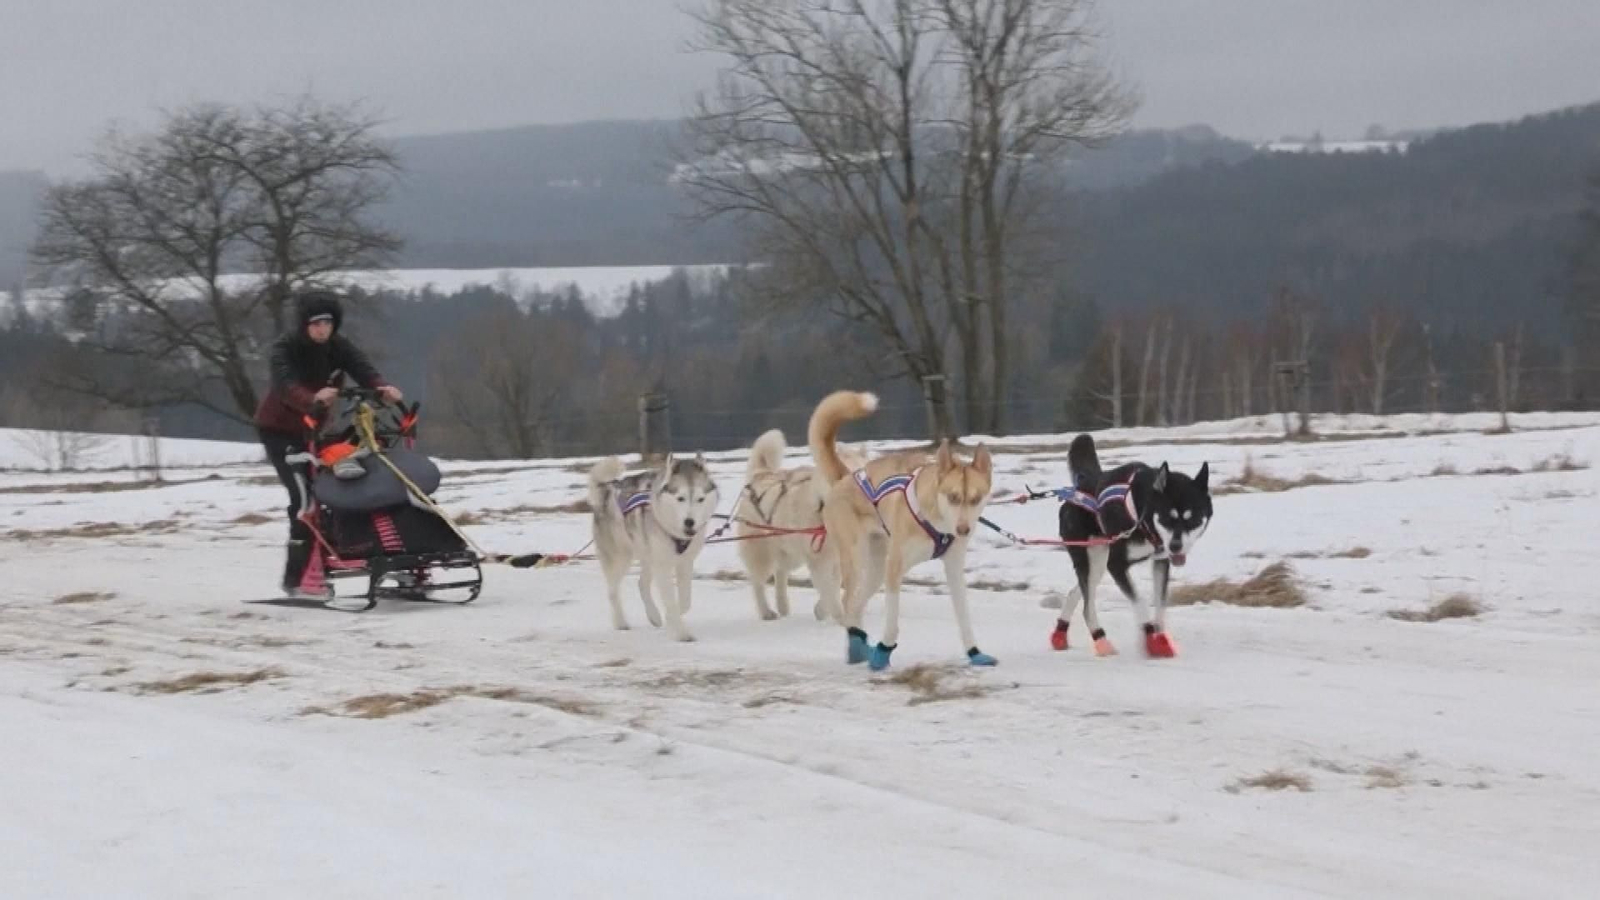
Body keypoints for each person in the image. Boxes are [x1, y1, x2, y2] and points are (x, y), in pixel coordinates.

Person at [254, 290, 403, 596]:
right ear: (304, 325)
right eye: (316, 323)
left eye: (328, 323)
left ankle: (357, 553)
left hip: (316, 432)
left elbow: (363, 369)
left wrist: (381, 388)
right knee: (304, 501)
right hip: (280, 431)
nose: (323, 329)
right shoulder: (285, 348)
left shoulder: (338, 347)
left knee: (343, 490)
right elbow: (286, 387)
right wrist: (312, 399)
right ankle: (296, 578)